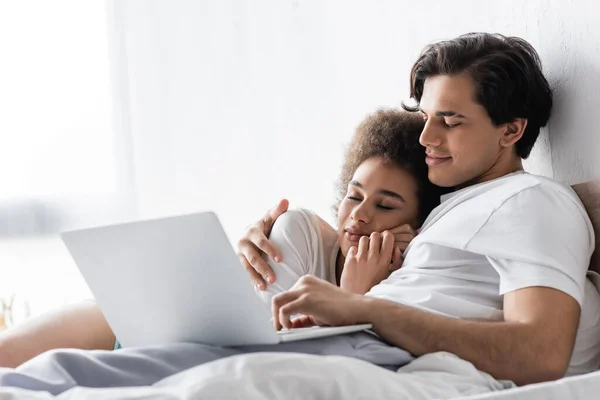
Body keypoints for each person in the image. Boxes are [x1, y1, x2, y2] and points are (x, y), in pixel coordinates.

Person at [0, 32, 597, 395]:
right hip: (353, 340)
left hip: (376, 354)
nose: (425, 137)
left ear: (511, 131)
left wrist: (365, 308)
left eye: (451, 120)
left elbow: (539, 354)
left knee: (176, 383)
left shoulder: (534, 202)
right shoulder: (450, 210)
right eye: (426, 114)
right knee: (63, 370)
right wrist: (279, 237)